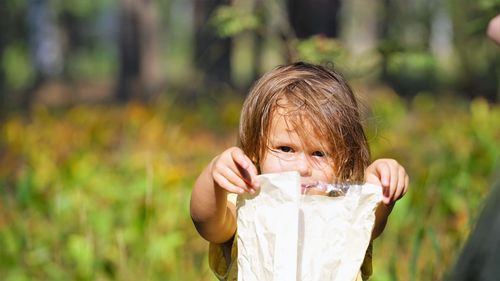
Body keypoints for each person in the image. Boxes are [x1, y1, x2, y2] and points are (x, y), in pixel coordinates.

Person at [190, 62, 410, 280]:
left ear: (344, 158)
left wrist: (379, 193)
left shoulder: (342, 207)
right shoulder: (248, 202)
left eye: (319, 153)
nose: (302, 168)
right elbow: (208, 224)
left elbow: (369, 225)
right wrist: (213, 178)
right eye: (286, 149)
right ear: (255, 147)